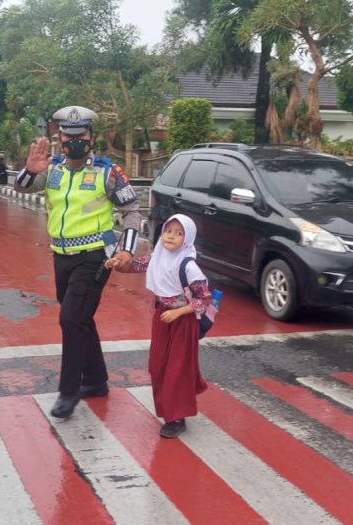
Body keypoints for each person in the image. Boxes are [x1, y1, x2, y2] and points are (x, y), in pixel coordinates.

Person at [16, 105, 142, 419]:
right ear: (59, 136)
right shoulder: (52, 168)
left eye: (80, 135)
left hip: (96, 255)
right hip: (61, 256)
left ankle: (68, 391)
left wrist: (126, 250)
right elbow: (22, 187)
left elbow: (132, 212)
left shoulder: (107, 171)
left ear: (91, 137)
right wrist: (30, 170)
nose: (74, 140)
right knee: (80, 318)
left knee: (70, 319)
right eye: (68, 135)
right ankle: (97, 381)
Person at [105, 214, 213, 438]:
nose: (171, 236)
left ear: (188, 238)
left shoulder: (188, 265)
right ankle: (171, 408)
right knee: (157, 366)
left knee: (176, 369)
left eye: (179, 233)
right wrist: (117, 263)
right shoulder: (158, 257)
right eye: (168, 231)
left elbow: (204, 299)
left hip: (182, 322)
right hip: (163, 318)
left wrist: (178, 312)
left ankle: (176, 418)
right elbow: (135, 265)